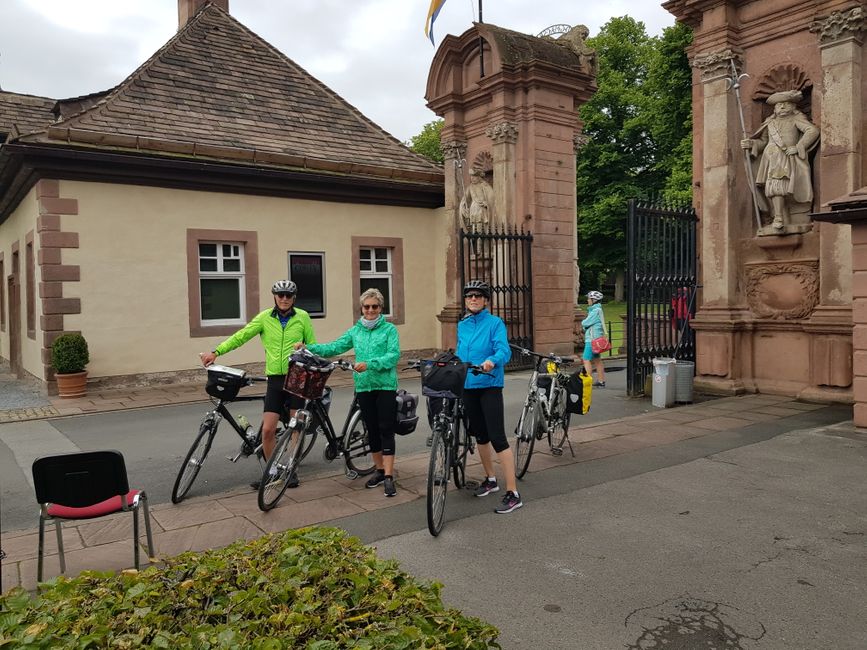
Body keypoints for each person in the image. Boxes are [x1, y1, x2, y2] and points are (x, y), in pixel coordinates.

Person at [199, 279, 316, 489]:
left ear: (294, 298)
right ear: (275, 297)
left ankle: (291, 471)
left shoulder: (303, 317)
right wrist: (216, 352)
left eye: (288, 295)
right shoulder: (264, 318)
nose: (284, 299)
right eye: (280, 295)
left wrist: (305, 347)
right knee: (268, 430)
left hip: (297, 376)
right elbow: (241, 336)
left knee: (295, 427)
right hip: (275, 379)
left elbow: (314, 346)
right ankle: (272, 472)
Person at [298, 288, 401, 497]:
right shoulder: (355, 331)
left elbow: (393, 356)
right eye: (366, 307)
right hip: (363, 386)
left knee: (385, 430)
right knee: (371, 430)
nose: (370, 310)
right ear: (361, 309)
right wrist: (309, 347)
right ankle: (379, 471)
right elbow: (334, 347)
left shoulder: (389, 330)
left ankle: (389, 476)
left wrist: (370, 364)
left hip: (385, 386)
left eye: (374, 306)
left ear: (381, 308)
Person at [456, 279, 522, 514]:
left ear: (485, 300)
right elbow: (460, 350)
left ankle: (513, 492)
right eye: (469, 296)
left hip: (489, 384)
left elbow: (503, 349)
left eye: (478, 295)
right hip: (468, 385)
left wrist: (491, 362)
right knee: (480, 436)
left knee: (497, 437)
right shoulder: (462, 325)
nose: (473, 299)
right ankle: (490, 479)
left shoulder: (495, 323)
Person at [740, 89, 820, 231]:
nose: (782, 107)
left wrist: (798, 146)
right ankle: (778, 217)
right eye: (778, 105)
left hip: (786, 157)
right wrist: (751, 144)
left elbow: (812, 131)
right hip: (771, 159)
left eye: (785, 104)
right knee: (774, 187)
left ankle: (782, 217)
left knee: (782, 187)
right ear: (774, 109)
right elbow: (763, 141)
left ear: (793, 106)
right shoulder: (769, 123)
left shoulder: (796, 119)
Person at [581, 290, 607, 388]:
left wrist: (584, 323)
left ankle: (587, 383)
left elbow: (585, 323)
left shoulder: (595, 311)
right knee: (597, 360)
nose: (587, 300)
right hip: (597, 339)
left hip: (591, 339)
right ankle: (601, 381)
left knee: (586, 359)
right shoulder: (597, 310)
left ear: (594, 300)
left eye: (589, 298)